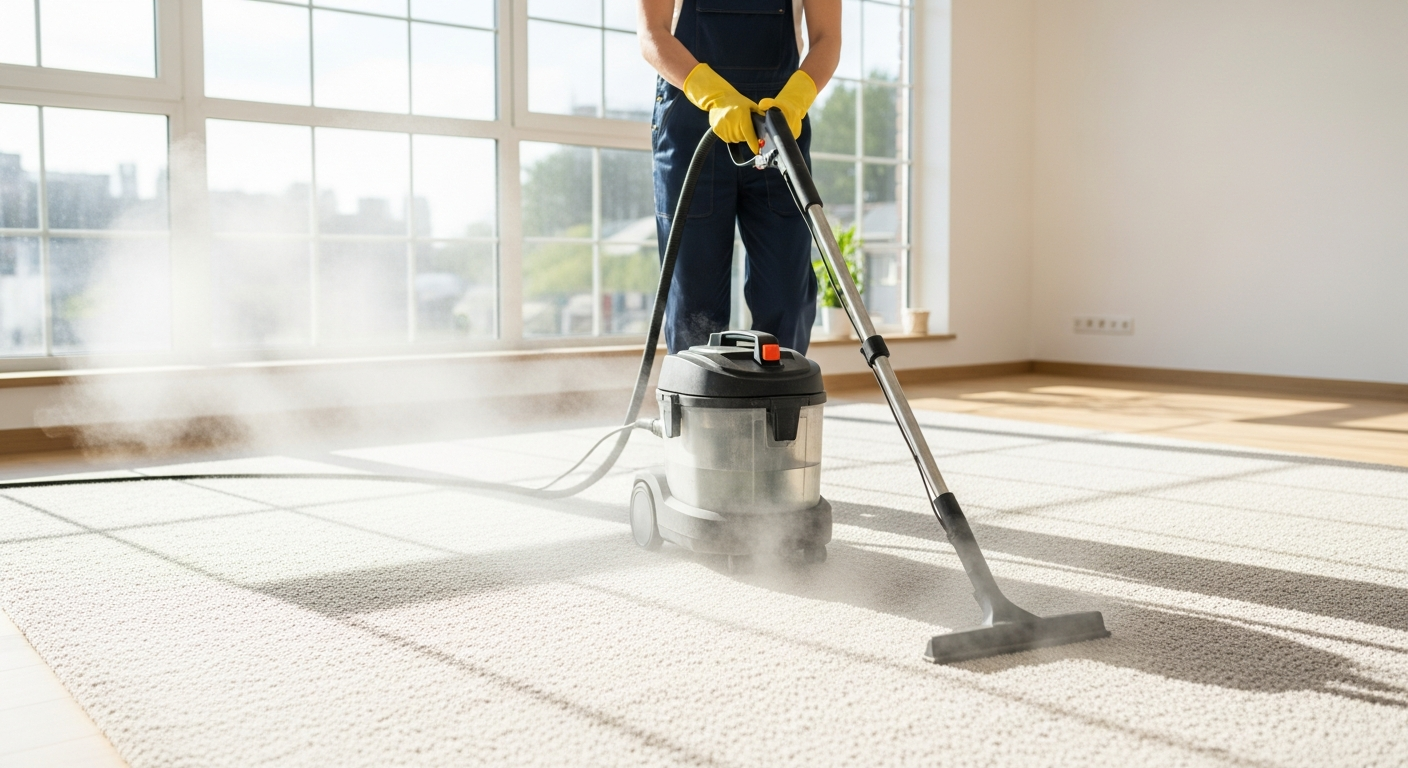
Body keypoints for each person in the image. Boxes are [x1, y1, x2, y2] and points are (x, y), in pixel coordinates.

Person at [639, 0, 841, 354]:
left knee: (787, 297)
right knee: (693, 305)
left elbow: (827, 38)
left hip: (777, 123)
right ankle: (698, 408)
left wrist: (795, 101)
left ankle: (778, 406)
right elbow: (652, 34)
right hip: (691, 126)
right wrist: (714, 95)